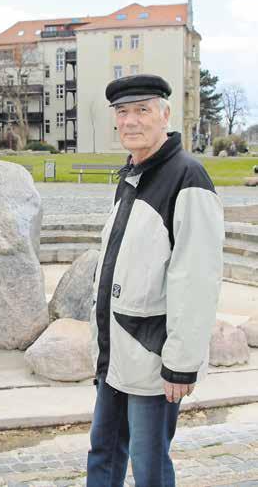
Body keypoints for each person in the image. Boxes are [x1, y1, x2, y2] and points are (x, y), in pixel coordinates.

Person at [86, 75, 224, 487]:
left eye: (142, 110)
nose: (130, 121)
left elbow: (197, 279)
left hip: (153, 354)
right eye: (122, 112)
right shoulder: (132, 174)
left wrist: (181, 366)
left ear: (165, 114)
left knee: (149, 468)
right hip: (116, 353)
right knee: (104, 453)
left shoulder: (187, 178)